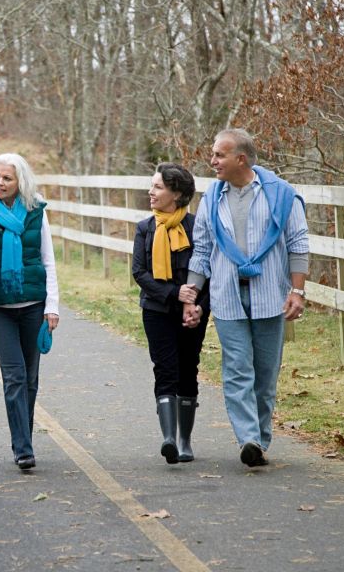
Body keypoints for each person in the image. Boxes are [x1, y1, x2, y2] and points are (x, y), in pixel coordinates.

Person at [184, 128, 309, 468]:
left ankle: (261, 438)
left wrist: (297, 290)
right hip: (227, 297)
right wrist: (192, 294)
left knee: (265, 373)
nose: (212, 161)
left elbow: (298, 244)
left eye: (219, 155)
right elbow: (203, 251)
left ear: (241, 158)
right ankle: (248, 438)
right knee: (237, 369)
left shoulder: (281, 195)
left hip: (270, 296)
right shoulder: (211, 198)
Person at [0, 153, 60, 471]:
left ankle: (23, 437)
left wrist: (52, 307)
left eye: (7, 178)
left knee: (31, 379)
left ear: (20, 182)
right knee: (14, 375)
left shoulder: (36, 211)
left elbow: (48, 260)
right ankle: (22, 447)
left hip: (33, 306)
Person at [132, 163, 211, 464]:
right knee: (164, 368)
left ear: (176, 194)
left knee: (188, 368)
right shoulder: (145, 228)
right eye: (152, 186)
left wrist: (199, 305)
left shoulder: (196, 228)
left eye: (158, 187)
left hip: (193, 313)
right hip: (157, 310)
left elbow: (208, 270)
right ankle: (168, 439)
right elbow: (139, 272)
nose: (150, 192)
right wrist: (172, 293)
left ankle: (185, 440)